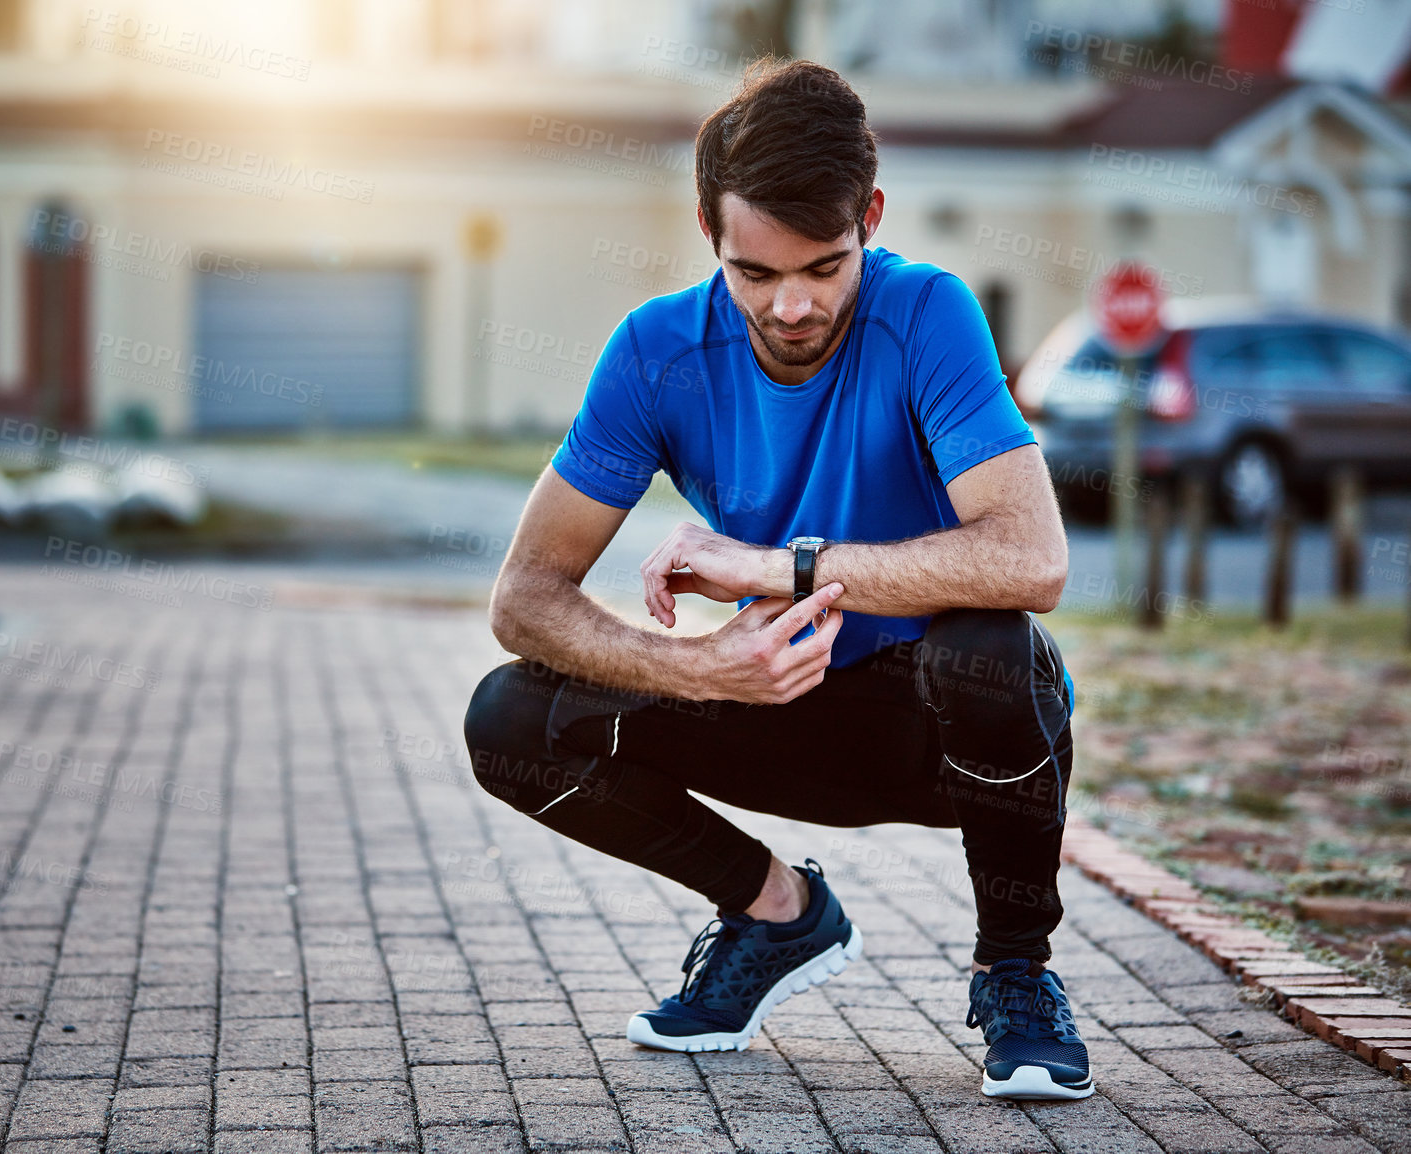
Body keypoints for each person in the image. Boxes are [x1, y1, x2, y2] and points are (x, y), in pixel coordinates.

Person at [462, 58, 1090, 1101]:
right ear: (708, 226)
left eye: (823, 266)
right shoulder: (655, 352)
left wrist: (775, 565)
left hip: (945, 730)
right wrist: (700, 666)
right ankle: (775, 914)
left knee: (989, 643)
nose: (792, 305)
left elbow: (1034, 558)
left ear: (870, 219)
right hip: (770, 699)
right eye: (756, 273)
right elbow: (524, 597)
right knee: (510, 718)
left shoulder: (927, 313)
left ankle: (1015, 971)